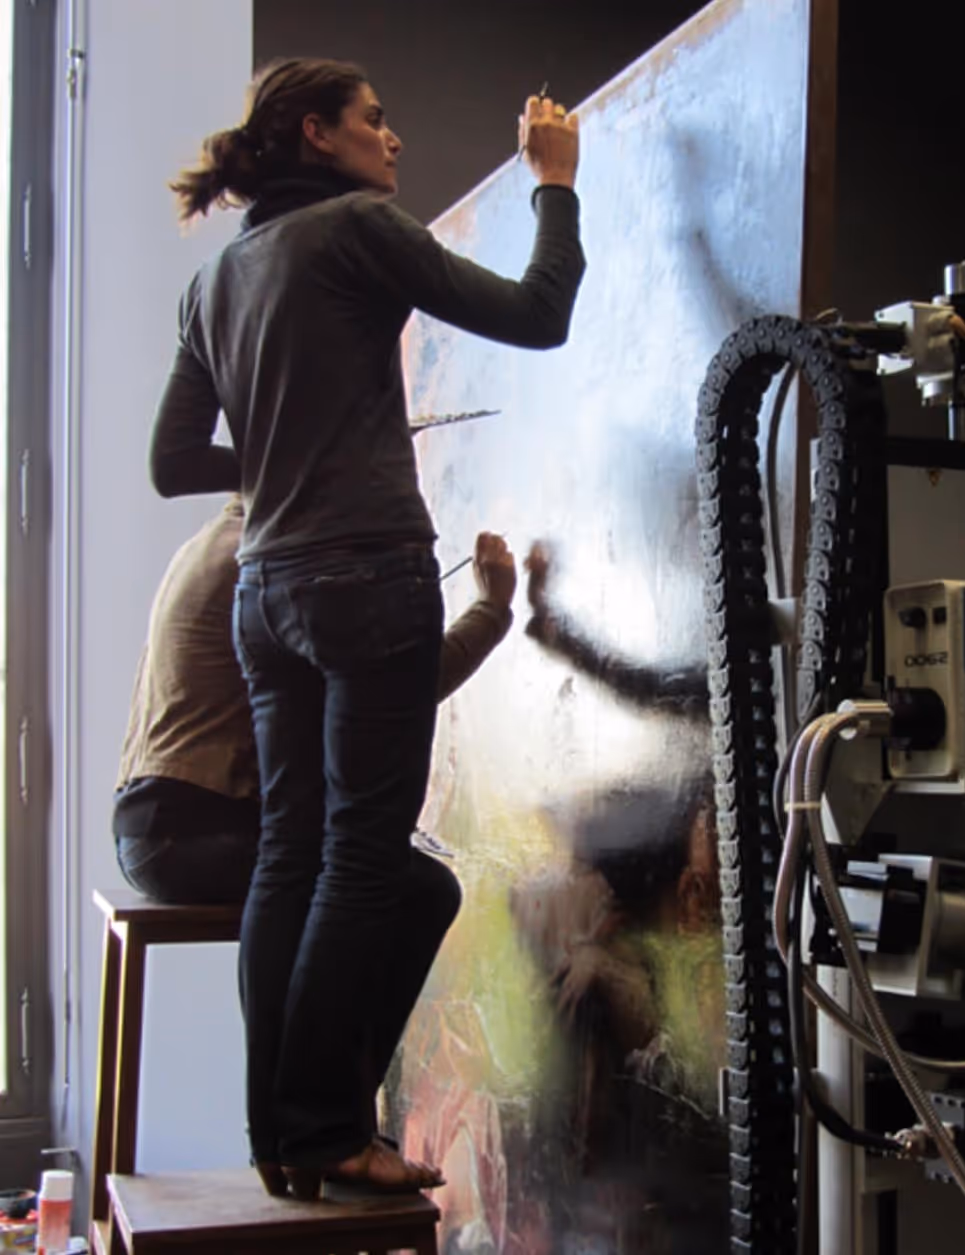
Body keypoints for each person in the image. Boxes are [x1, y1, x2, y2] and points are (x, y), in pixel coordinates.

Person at [150, 56, 584, 1198]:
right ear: (314, 133)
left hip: (267, 594)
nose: (392, 141)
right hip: (366, 577)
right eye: (374, 121)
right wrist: (554, 183)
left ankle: (281, 1137)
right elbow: (538, 316)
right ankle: (327, 1130)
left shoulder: (217, 283)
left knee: (291, 856)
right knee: (355, 856)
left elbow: (168, 462)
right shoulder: (355, 229)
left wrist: (287, 446)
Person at [114, 497, 517, 907]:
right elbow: (393, 693)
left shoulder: (216, 540)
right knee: (423, 892)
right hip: (193, 839)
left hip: (147, 833)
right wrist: (491, 609)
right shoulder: (276, 561)